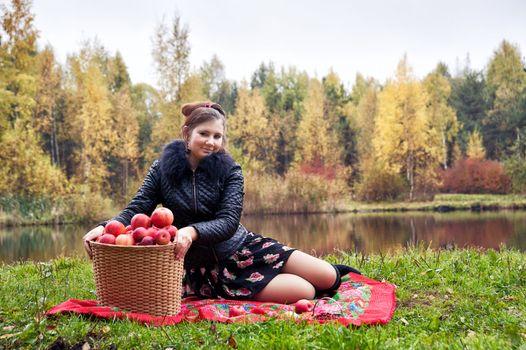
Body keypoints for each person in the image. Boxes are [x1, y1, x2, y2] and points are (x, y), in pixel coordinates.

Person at [83, 101, 359, 304]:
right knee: (305, 291)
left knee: (326, 276)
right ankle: (242, 287)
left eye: (217, 136)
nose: (211, 142)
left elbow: (228, 221)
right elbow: (138, 207)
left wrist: (191, 231)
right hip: (207, 268)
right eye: (204, 133)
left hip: (242, 246)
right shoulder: (161, 170)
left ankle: (283, 272)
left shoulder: (230, 171)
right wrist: (105, 227)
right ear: (187, 133)